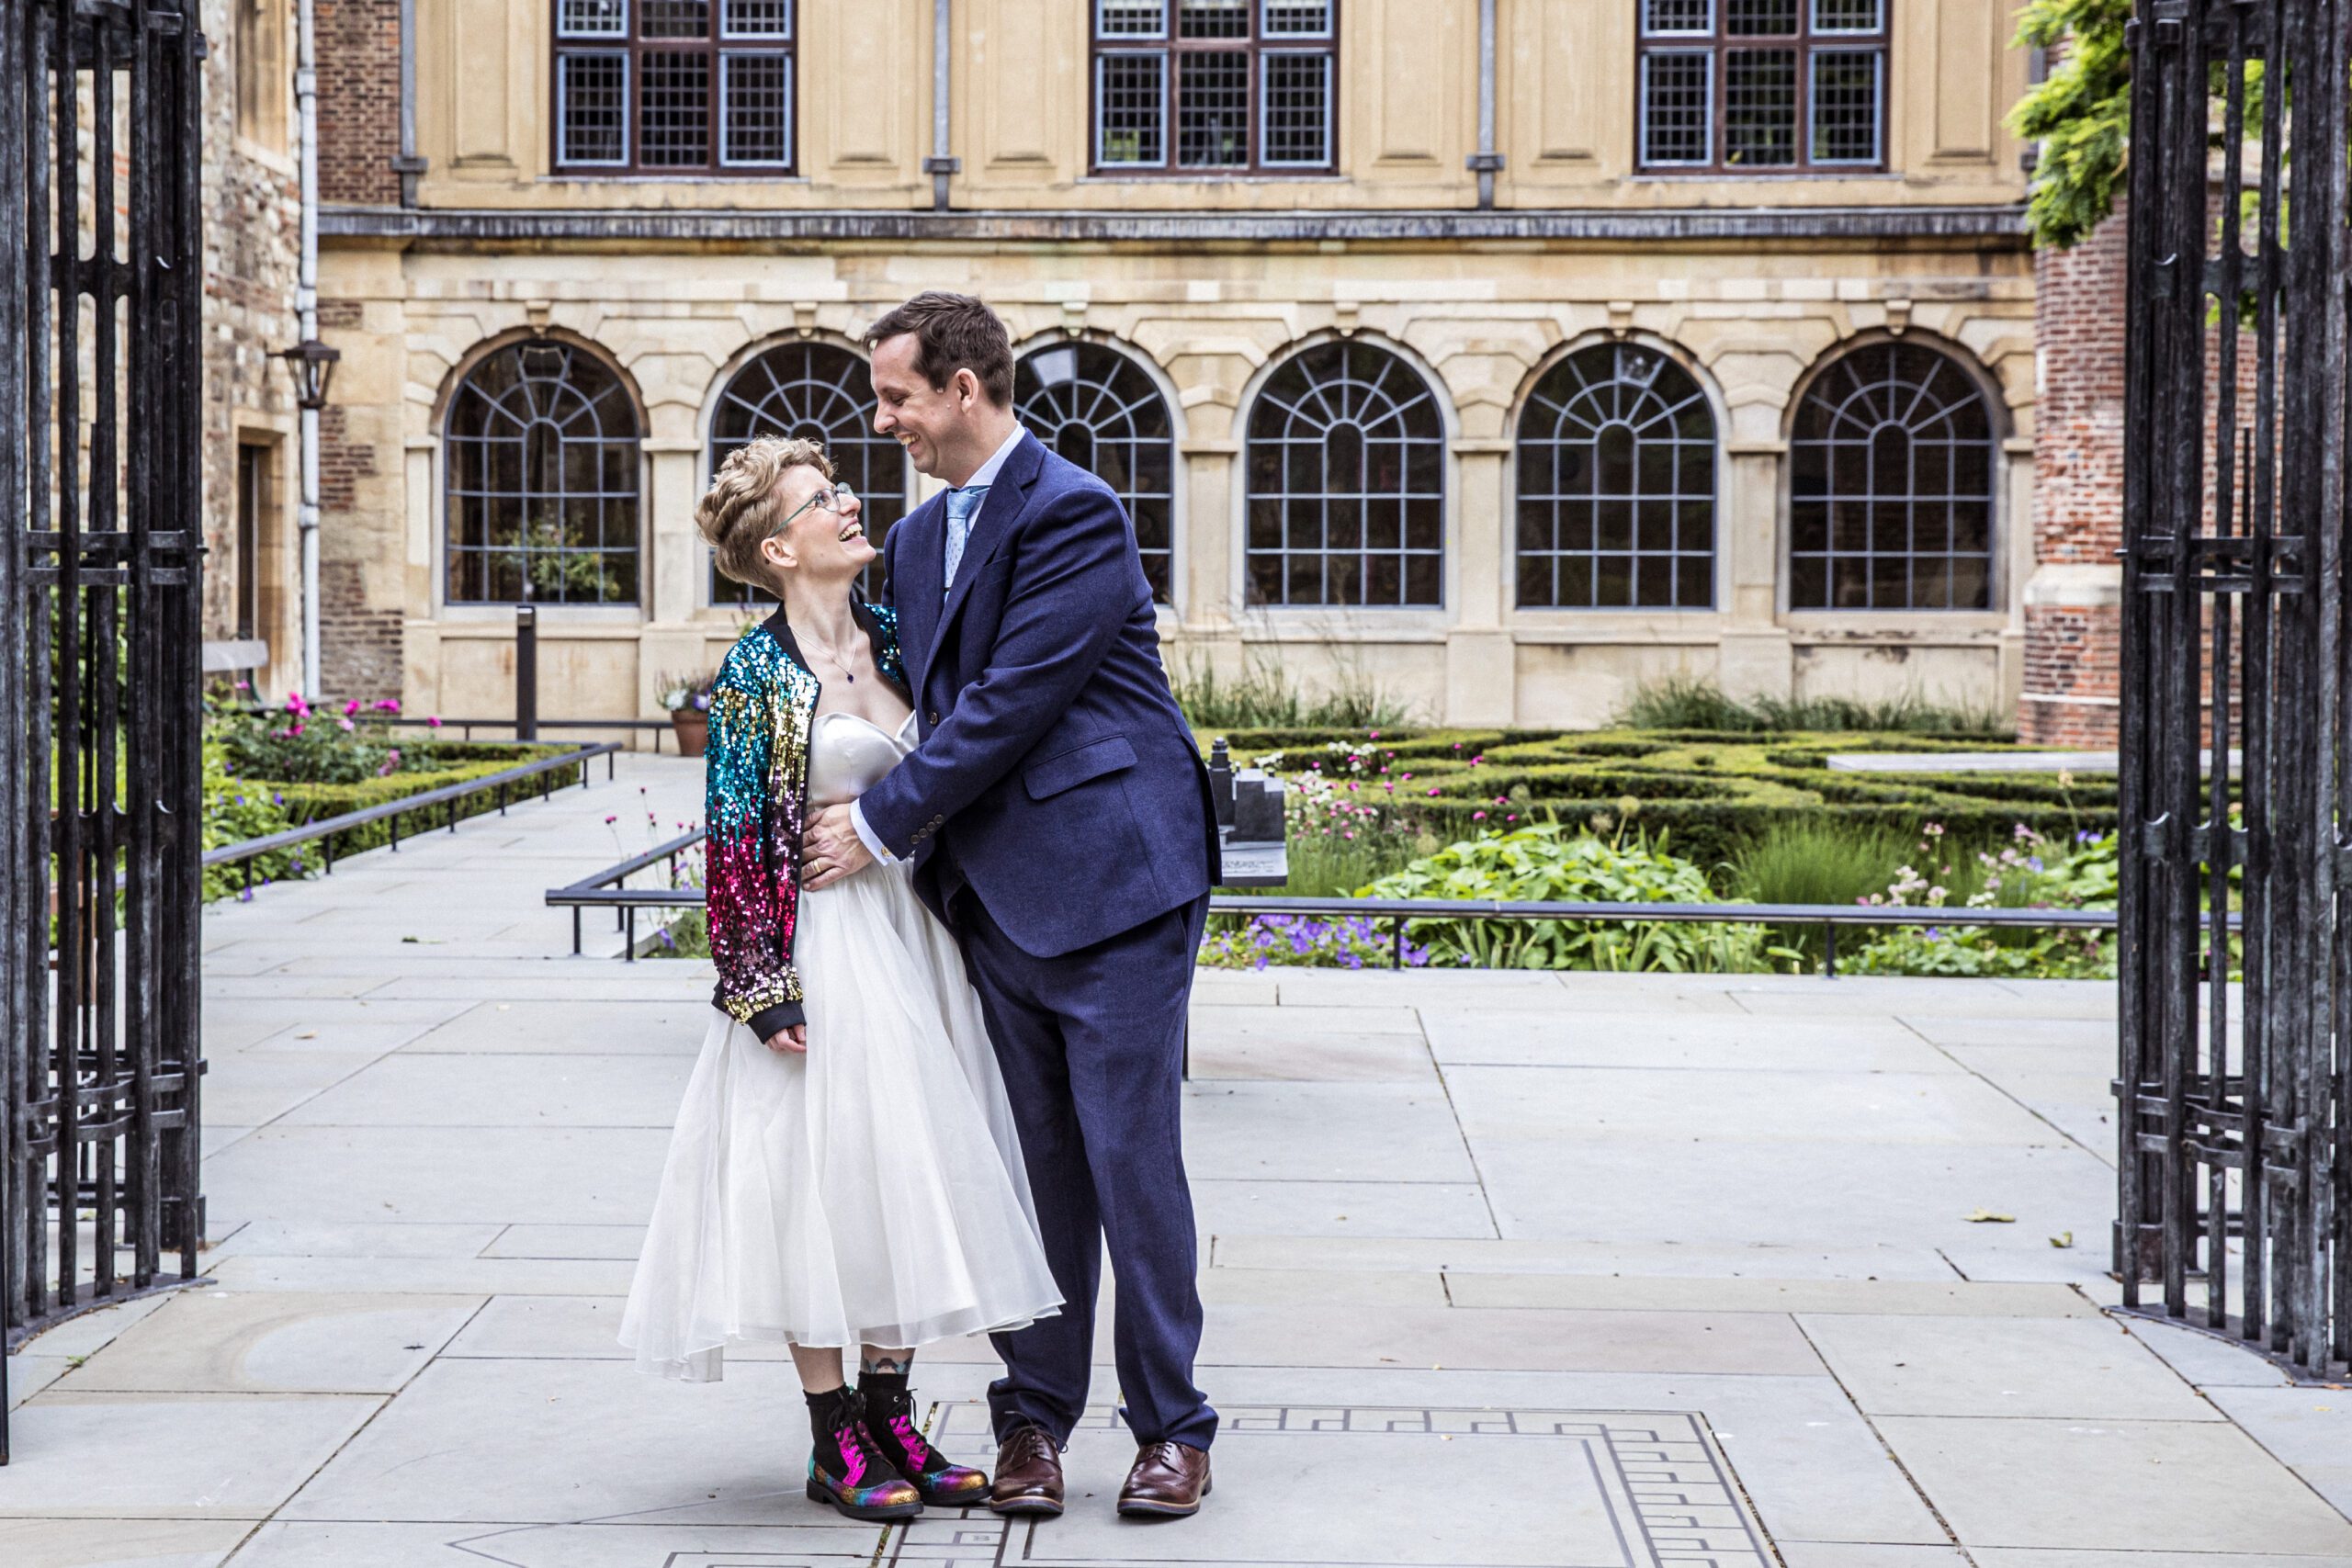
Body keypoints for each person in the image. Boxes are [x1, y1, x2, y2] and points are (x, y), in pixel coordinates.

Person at [800, 292, 1224, 1520]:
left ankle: (1172, 1430)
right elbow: (880, 682)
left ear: (965, 391)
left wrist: (877, 825)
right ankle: (1032, 1422)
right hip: (994, 900)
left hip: (1115, 884)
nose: (884, 421)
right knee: (1035, 1174)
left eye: (897, 396)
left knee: (1131, 1163)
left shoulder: (1076, 511)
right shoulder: (921, 545)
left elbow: (1010, 703)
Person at [617, 434, 1061, 1525]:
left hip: (920, 938)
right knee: (815, 1184)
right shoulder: (755, 680)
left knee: (908, 1173)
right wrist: (759, 984)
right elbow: (733, 842)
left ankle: (892, 1411)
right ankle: (833, 1439)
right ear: (778, 547)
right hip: (819, 947)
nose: (850, 503)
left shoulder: (907, 636)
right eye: (823, 499)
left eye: (842, 488)